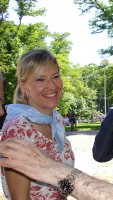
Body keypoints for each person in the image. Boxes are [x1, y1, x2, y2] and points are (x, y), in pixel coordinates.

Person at [0, 49, 75, 199]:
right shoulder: (19, 130)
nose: (52, 86)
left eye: (55, 77)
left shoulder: (57, 121)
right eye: (41, 79)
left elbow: (63, 185)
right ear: (23, 85)